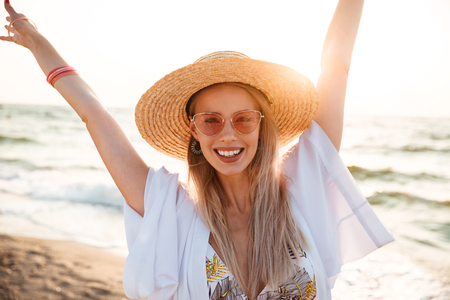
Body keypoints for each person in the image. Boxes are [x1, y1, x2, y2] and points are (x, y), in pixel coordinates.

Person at [1, 0, 394, 299]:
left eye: (243, 119)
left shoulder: (301, 187)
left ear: (262, 124)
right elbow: (93, 113)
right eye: (211, 120)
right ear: (194, 129)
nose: (227, 135)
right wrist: (36, 41)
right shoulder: (170, 209)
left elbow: (336, 68)